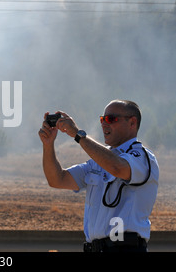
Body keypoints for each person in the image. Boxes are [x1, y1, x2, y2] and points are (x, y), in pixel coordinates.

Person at [38, 100, 159, 252]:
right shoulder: (98, 161)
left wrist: (77, 135)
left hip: (125, 248)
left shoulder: (142, 157)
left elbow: (117, 167)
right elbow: (57, 179)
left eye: (111, 119)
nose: (104, 124)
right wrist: (48, 145)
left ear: (132, 122)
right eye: (102, 119)